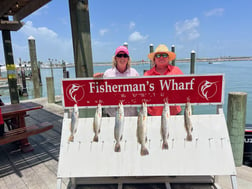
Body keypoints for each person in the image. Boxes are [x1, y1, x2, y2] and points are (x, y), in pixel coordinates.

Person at [94, 45, 139, 116]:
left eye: (125, 55)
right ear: (115, 58)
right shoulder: (108, 73)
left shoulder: (134, 73)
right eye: (119, 55)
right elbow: (100, 93)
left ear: (128, 58)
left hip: (131, 116)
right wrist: (96, 81)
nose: (122, 58)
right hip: (112, 116)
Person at [144, 44, 184, 116]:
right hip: (153, 113)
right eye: (158, 55)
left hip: (174, 112)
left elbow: (186, 90)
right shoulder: (147, 74)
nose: (161, 57)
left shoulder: (176, 71)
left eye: (164, 55)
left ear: (168, 58)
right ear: (154, 59)